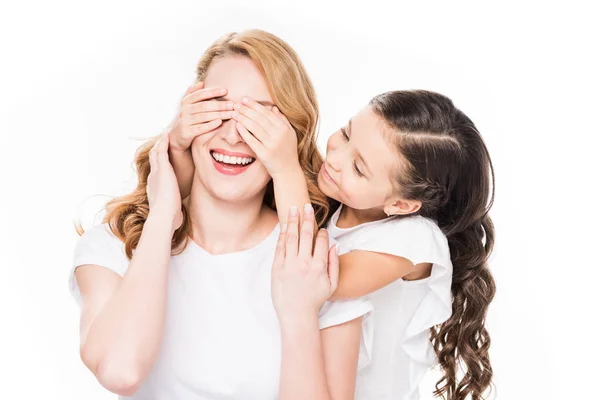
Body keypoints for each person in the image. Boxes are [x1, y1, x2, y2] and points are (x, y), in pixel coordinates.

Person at [69, 30, 372, 400]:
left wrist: (298, 313)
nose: (233, 137)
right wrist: (163, 216)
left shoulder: (319, 266)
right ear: (185, 120)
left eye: (258, 119)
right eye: (217, 110)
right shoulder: (115, 247)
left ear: (290, 136)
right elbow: (121, 371)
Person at [173, 89, 496, 400]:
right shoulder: (336, 201)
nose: (336, 159)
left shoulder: (415, 239)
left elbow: (312, 276)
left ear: (401, 205)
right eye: (345, 133)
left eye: (358, 168)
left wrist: (285, 167)